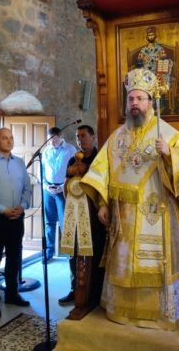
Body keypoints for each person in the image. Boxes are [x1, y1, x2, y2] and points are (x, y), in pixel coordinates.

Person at [81, 68, 179, 330]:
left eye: (140, 98)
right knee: (123, 264)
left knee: (153, 264)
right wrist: (103, 203)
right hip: (123, 216)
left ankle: (158, 315)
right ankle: (123, 312)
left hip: (155, 213)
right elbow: (101, 171)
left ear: (151, 101)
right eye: (131, 98)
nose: (134, 103)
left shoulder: (166, 133)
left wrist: (169, 154)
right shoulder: (117, 137)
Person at [0, 127, 32, 319]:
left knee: (14, 256)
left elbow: (27, 188)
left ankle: (12, 293)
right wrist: (3, 209)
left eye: (11, 138)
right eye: (4, 138)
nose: (9, 141)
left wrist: (22, 206)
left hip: (16, 217)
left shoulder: (19, 163)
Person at [58, 124, 105, 306]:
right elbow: (67, 185)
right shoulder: (72, 160)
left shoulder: (100, 159)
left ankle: (95, 292)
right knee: (74, 252)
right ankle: (75, 289)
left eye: (83, 136)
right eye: (77, 137)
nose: (80, 140)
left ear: (93, 137)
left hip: (94, 213)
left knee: (95, 251)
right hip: (75, 214)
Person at [42, 126, 76, 262]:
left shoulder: (71, 150)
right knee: (49, 223)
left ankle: (69, 253)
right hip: (48, 190)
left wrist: (63, 187)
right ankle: (48, 252)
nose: (52, 143)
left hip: (63, 190)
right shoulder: (46, 151)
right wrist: (46, 186)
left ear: (60, 137)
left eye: (54, 140)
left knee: (65, 222)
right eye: (50, 140)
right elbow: (42, 170)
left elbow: (74, 172)